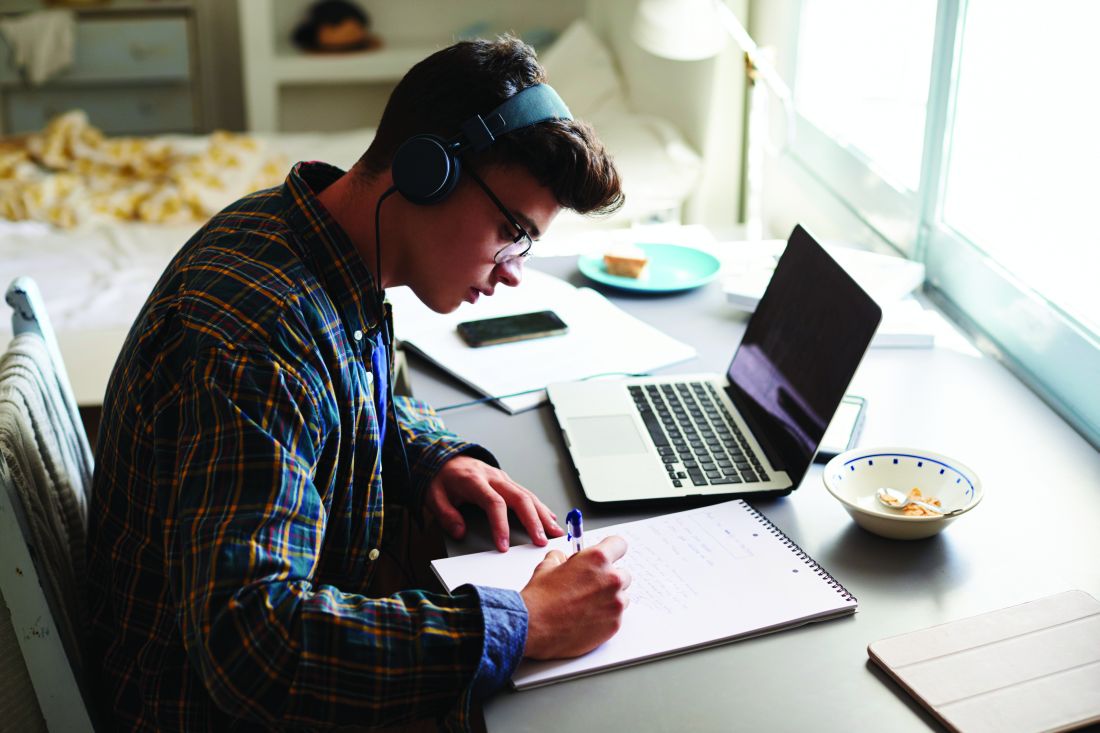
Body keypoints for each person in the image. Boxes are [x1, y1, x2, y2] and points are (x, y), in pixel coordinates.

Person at [85, 36, 630, 732]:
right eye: (509, 229)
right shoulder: (261, 339)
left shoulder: (304, 241)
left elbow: (341, 399)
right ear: (427, 170)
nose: (511, 269)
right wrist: (524, 621)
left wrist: (434, 456)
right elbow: (254, 647)